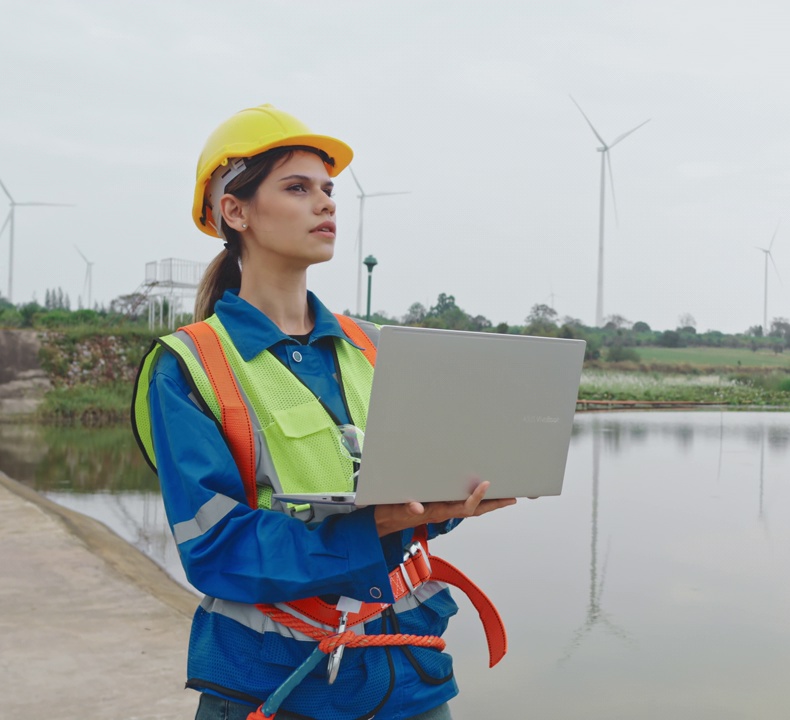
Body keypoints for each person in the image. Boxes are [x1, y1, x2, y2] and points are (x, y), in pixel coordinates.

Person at [131, 105, 515, 720]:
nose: (327, 204)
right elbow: (215, 548)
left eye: (329, 190)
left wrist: (446, 504)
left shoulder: (373, 349)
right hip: (278, 685)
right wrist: (377, 526)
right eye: (298, 188)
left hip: (408, 679)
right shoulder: (190, 365)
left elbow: (404, 511)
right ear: (236, 210)